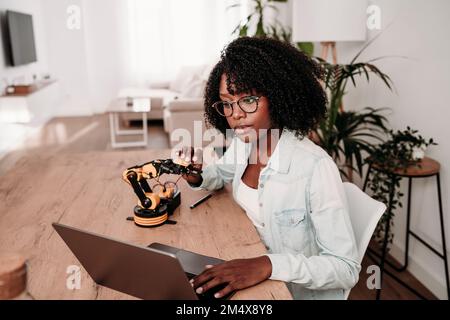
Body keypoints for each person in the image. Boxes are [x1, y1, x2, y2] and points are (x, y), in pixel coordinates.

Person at [177, 36, 360, 300]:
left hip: (292, 292)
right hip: (245, 260)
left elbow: (346, 268)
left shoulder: (314, 167)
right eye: (227, 103)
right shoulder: (245, 142)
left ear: (278, 95)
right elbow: (220, 174)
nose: (235, 114)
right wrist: (197, 176)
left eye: (248, 100)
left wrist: (267, 264)